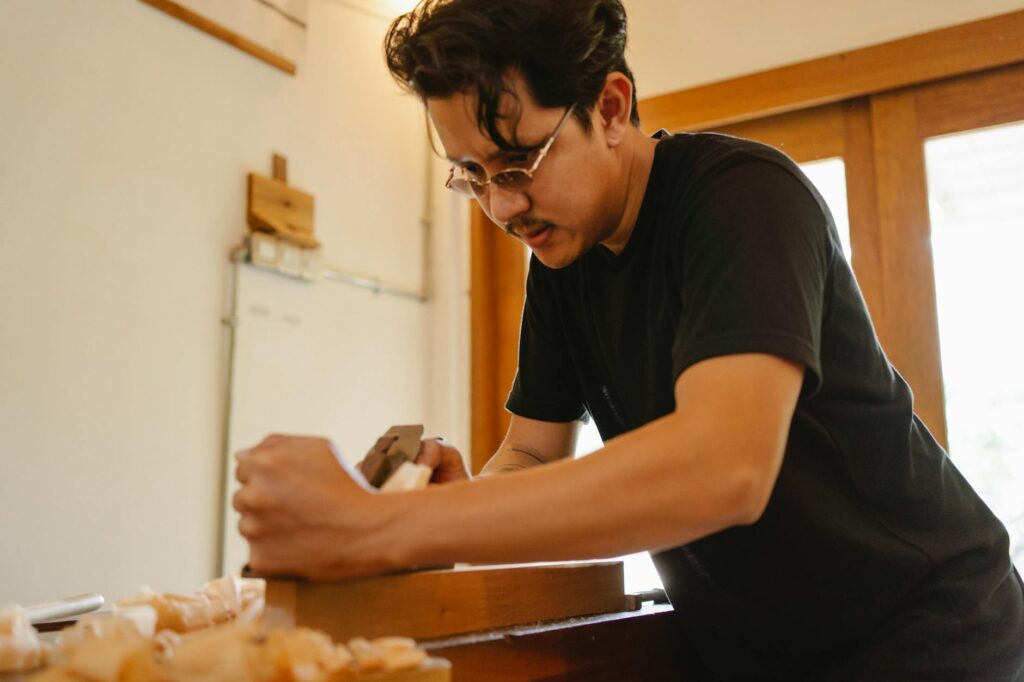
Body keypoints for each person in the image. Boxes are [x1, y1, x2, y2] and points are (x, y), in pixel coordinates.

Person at [232, 0, 1024, 678]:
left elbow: (723, 468)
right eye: (472, 174)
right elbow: (533, 452)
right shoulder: (562, 261)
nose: (503, 208)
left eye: (518, 161)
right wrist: (454, 507)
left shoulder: (743, 199)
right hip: (761, 651)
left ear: (611, 107)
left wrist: (372, 527)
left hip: (927, 631)